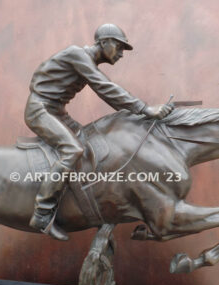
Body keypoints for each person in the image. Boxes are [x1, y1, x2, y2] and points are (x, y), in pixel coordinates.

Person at [24, 23, 173, 241]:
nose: (121, 53)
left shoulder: (87, 62)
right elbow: (105, 87)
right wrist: (145, 109)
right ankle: (42, 214)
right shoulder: (78, 55)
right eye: (119, 46)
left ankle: (87, 201)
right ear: (103, 42)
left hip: (56, 112)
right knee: (73, 150)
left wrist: (142, 112)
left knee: (90, 144)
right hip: (40, 110)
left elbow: (106, 91)